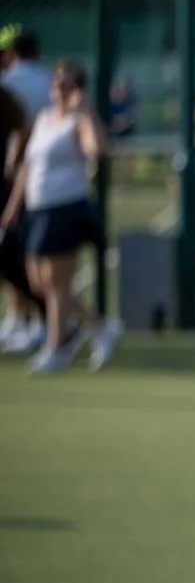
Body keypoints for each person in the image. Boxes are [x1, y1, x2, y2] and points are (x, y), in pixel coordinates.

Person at [1, 60, 122, 374]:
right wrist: (14, 206)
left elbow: (98, 149)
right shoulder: (43, 119)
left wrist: (87, 113)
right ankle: (98, 326)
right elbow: (29, 166)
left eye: (67, 85)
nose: (60, 89)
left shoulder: (79, 121)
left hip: (66, 208)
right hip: (37, 209)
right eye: (57, 84)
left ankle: (56, 348)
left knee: (56, 283)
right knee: (38, 282)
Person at [0, 28, 52, 354]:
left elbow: (22, 130)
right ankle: (25, 321)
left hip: (17, 179)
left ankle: (29, 319)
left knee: (14, 253)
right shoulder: (50, 80)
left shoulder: (8, 85)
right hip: (37, 176)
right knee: (24, 253)